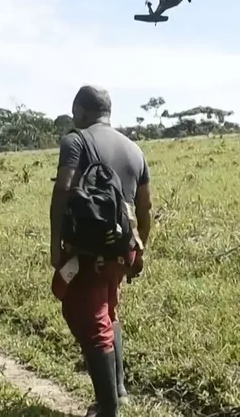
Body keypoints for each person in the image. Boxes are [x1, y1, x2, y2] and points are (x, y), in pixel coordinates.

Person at [49, 86, 151, 417]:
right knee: (108, 313)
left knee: (89, 321)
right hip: (123, 250)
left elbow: (64, 189)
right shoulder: (134, 149)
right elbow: (145, 207)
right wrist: (140, 251)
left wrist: (56, 244)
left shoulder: (75, 140)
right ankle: (118, 391)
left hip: (89, 252)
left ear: (80, 109)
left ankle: (109, 409)